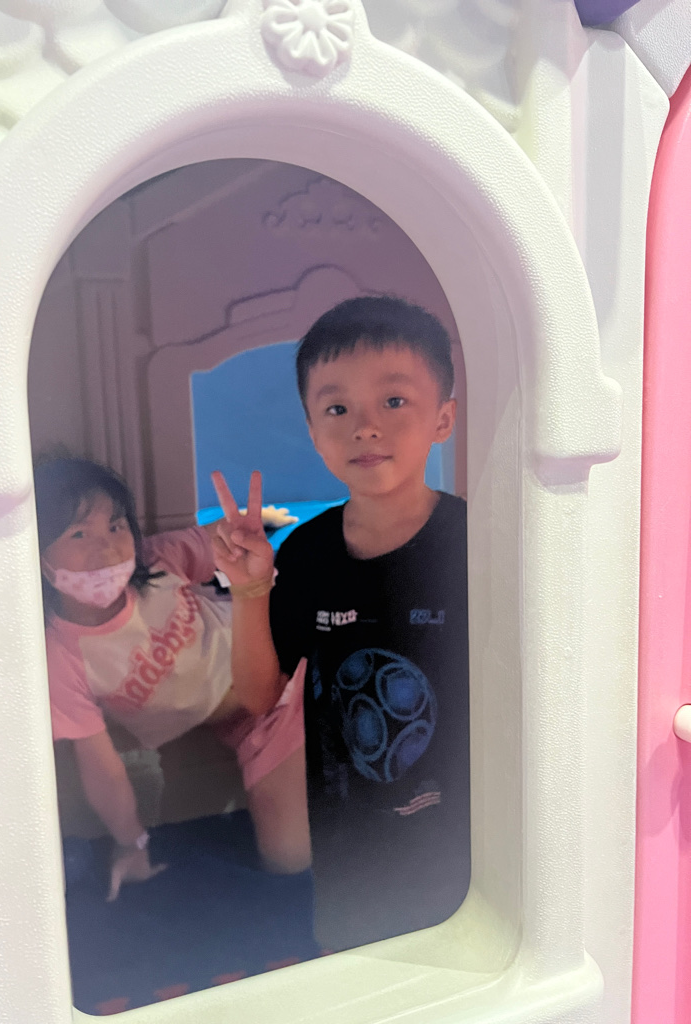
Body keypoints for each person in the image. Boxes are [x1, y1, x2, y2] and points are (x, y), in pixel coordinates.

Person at [211, 296, 470, 949]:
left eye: (394, 401)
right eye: (337, 409)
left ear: (443, 419)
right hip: (346, 841)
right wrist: (249, 588)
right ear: (311, 428)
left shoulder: (478, 540)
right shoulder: (308, 552)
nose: (365, 428)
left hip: (466, 838)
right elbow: (260, 696)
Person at [35, 456, 310, 902]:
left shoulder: (157, 561)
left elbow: (217, 542)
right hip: (254, 723)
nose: (107, 548)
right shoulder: (59, 656)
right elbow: (101, 769)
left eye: (116, 526)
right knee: (288, 859)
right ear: (36, 552)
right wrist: (132, 843)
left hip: (284, 659)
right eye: (79, 534)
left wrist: (247, 527)